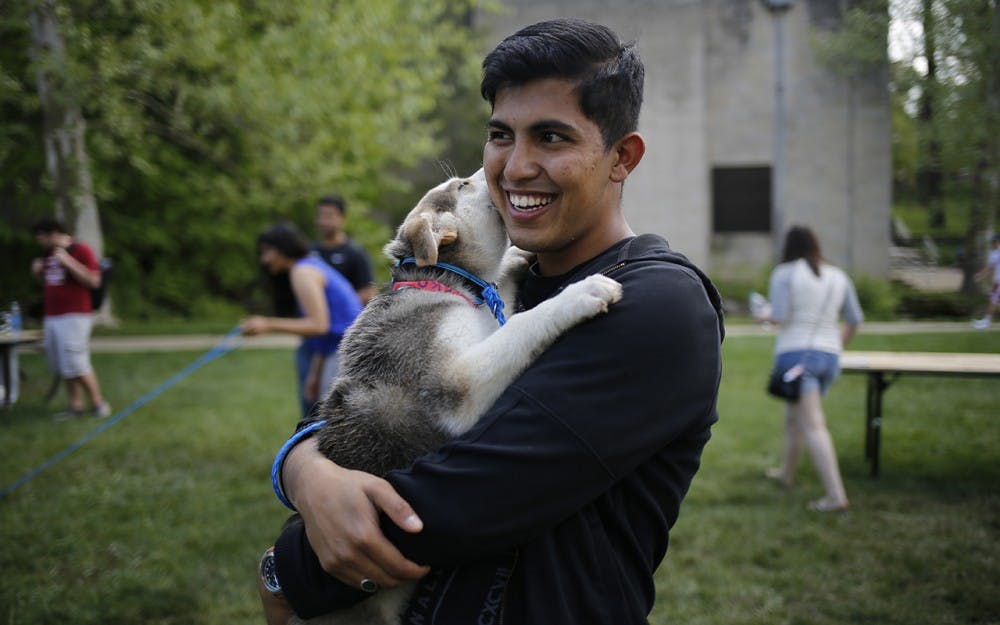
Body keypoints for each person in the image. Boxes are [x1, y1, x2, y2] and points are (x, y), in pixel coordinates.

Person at [259, 19, 724, 624]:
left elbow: (457, 502)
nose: (514, 167)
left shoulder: (659, 305)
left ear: (621, 158)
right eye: (501, 135)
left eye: (552, 138)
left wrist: (284, 572)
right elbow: (358, 402)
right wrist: (304, 471)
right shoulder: (493, 281)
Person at [760, 225, 862, 512]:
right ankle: (786, 474)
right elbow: (854, 319)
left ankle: (835, 496)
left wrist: (762, 314)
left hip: (797, 356)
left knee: (813, 425)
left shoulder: (785, 273)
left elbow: (778, 316)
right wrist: (837, 346)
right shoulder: (838, 275)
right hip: (828, 356)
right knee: (794, 419)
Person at [241, 222, 363, 417]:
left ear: (283, 248)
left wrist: (267, 324)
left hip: (346, 355)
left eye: (267, 251)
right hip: (340, 351)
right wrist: (315, 374)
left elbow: (318, 325)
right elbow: (329, 331)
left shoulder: (303, 272)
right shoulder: (310, 265)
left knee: (331, 426)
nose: (264, 259)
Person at [30, 218, 111, 419]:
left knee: (77, 362)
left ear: (54, 233)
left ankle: (99, 403)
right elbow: (53, 283)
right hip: (53, 317)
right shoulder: (48, 254)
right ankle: (76, 406)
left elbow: (94, 280)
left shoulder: (81, 250)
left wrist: (68, 261)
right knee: (63, 363)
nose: (39, 241)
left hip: (75, 316)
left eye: (41, 236)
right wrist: (38, 273)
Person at [313, 194, 377, 306]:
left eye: (329, 216)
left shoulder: (355, 253)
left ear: (342, 218)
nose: (324, 221)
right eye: (321, 215)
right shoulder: (311, 253)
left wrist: (341, 305)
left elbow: (368, 292)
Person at [971, 233, 1000, 329]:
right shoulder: (994, 254)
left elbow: (989, 269)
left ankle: (986, 323)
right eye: (992, 242)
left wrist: (980, 275)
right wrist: (981, 275)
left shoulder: (996, 254)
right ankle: (985, 322)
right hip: (997, 282)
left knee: (993, 301)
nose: (993, 243)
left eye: (994, 241)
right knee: (993, 301)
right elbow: (990, 269)